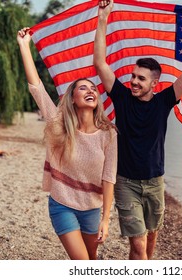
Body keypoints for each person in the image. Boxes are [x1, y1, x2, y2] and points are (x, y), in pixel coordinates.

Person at [93, 0, 182, 259]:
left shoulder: (164, 101)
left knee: (151, 239)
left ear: (155, 83)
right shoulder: (121, 97)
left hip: (155, 182)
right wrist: (103, 18)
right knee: (138, 244)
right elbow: (99, 63)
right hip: (126, 182)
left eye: (141, 78)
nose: (134, 81)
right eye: (133, 76)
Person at [17, 27, 117, 260]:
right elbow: (37, 89)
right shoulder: (57, 125)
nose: (90, 90)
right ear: (72, 98)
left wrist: (105, 219)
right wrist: (24, 46)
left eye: (93, 89)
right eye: (83, 88)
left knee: (92, 259)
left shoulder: (109, 134)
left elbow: (109, 177)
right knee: (81, 262)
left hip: (92, 207)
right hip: (62, 204)